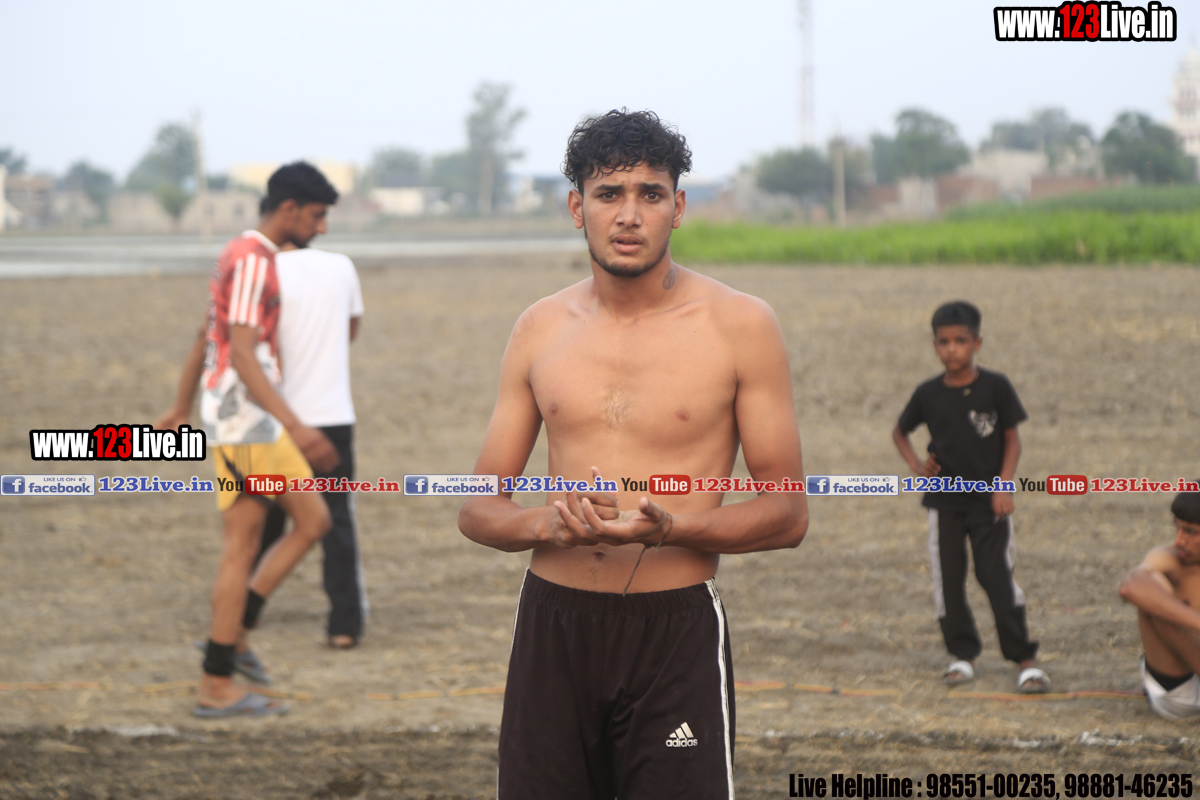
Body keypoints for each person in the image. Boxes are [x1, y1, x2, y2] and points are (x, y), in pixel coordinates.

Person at [458, 109, 808, 799]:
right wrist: (544, 523)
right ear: (576, 208)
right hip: (553, 625)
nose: (628, 214)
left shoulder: (740, 325)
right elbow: (476, 508)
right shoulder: (539, 327)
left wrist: (674, 528)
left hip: (672, 629)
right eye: (608, 193)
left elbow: (788, 513)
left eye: (650, 194)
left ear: (678, 207)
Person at [157, 162, 339, 717]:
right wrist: (297, 426)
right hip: (246, 422)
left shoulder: (235, 252)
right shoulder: (257, 261)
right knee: (267, 538)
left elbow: (204, 336)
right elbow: (239, 352)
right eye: (317, 216)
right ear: (288, 209)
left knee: (294, 526)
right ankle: (218, 677)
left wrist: (181, 406)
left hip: (238, 418)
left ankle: (232, 639)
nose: (321, 227)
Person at [161, 241, 369, 650]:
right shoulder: (331, 267)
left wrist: (182, 406)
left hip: (268, 418)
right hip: (307, 416)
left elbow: (211, 340)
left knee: (270, 527)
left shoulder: (253, 270)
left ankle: (237, 623)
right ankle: (336, 625)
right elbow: (347, 333)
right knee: (328, 521)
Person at [892, 300, 1048, 693]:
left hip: (988, 504)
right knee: (948, 579)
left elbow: (1012, 439)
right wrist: (916, 465)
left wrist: (1004, 484)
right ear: (935, 346)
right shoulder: (928, 393)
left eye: (960, 341)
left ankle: (1024, 659)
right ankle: (962, 655)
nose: (952, 349)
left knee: (996, 577)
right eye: (944, 342)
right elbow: (900, 431)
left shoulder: (996, 387)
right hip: (943, 503)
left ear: (977, 343)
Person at [1119, 486, 1200, 720]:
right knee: (1153, 587)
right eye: (1177, 527)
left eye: (1191, 532)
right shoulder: (1170, 558)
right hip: (1180, 692)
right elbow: (1131, 586)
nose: (1179, 540)